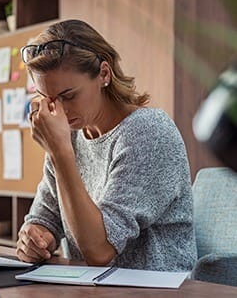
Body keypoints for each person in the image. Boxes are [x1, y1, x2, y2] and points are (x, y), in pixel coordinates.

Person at [16, 19, 197, 272]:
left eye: (69, 96)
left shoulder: (148, 131)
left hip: (155, 291)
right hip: (92, 288)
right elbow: (45, 216)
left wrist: (60, 152)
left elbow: (99, 250)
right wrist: (34, 237)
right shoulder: (71, 136)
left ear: (104, 74)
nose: (60, 110)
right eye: (48, 99)